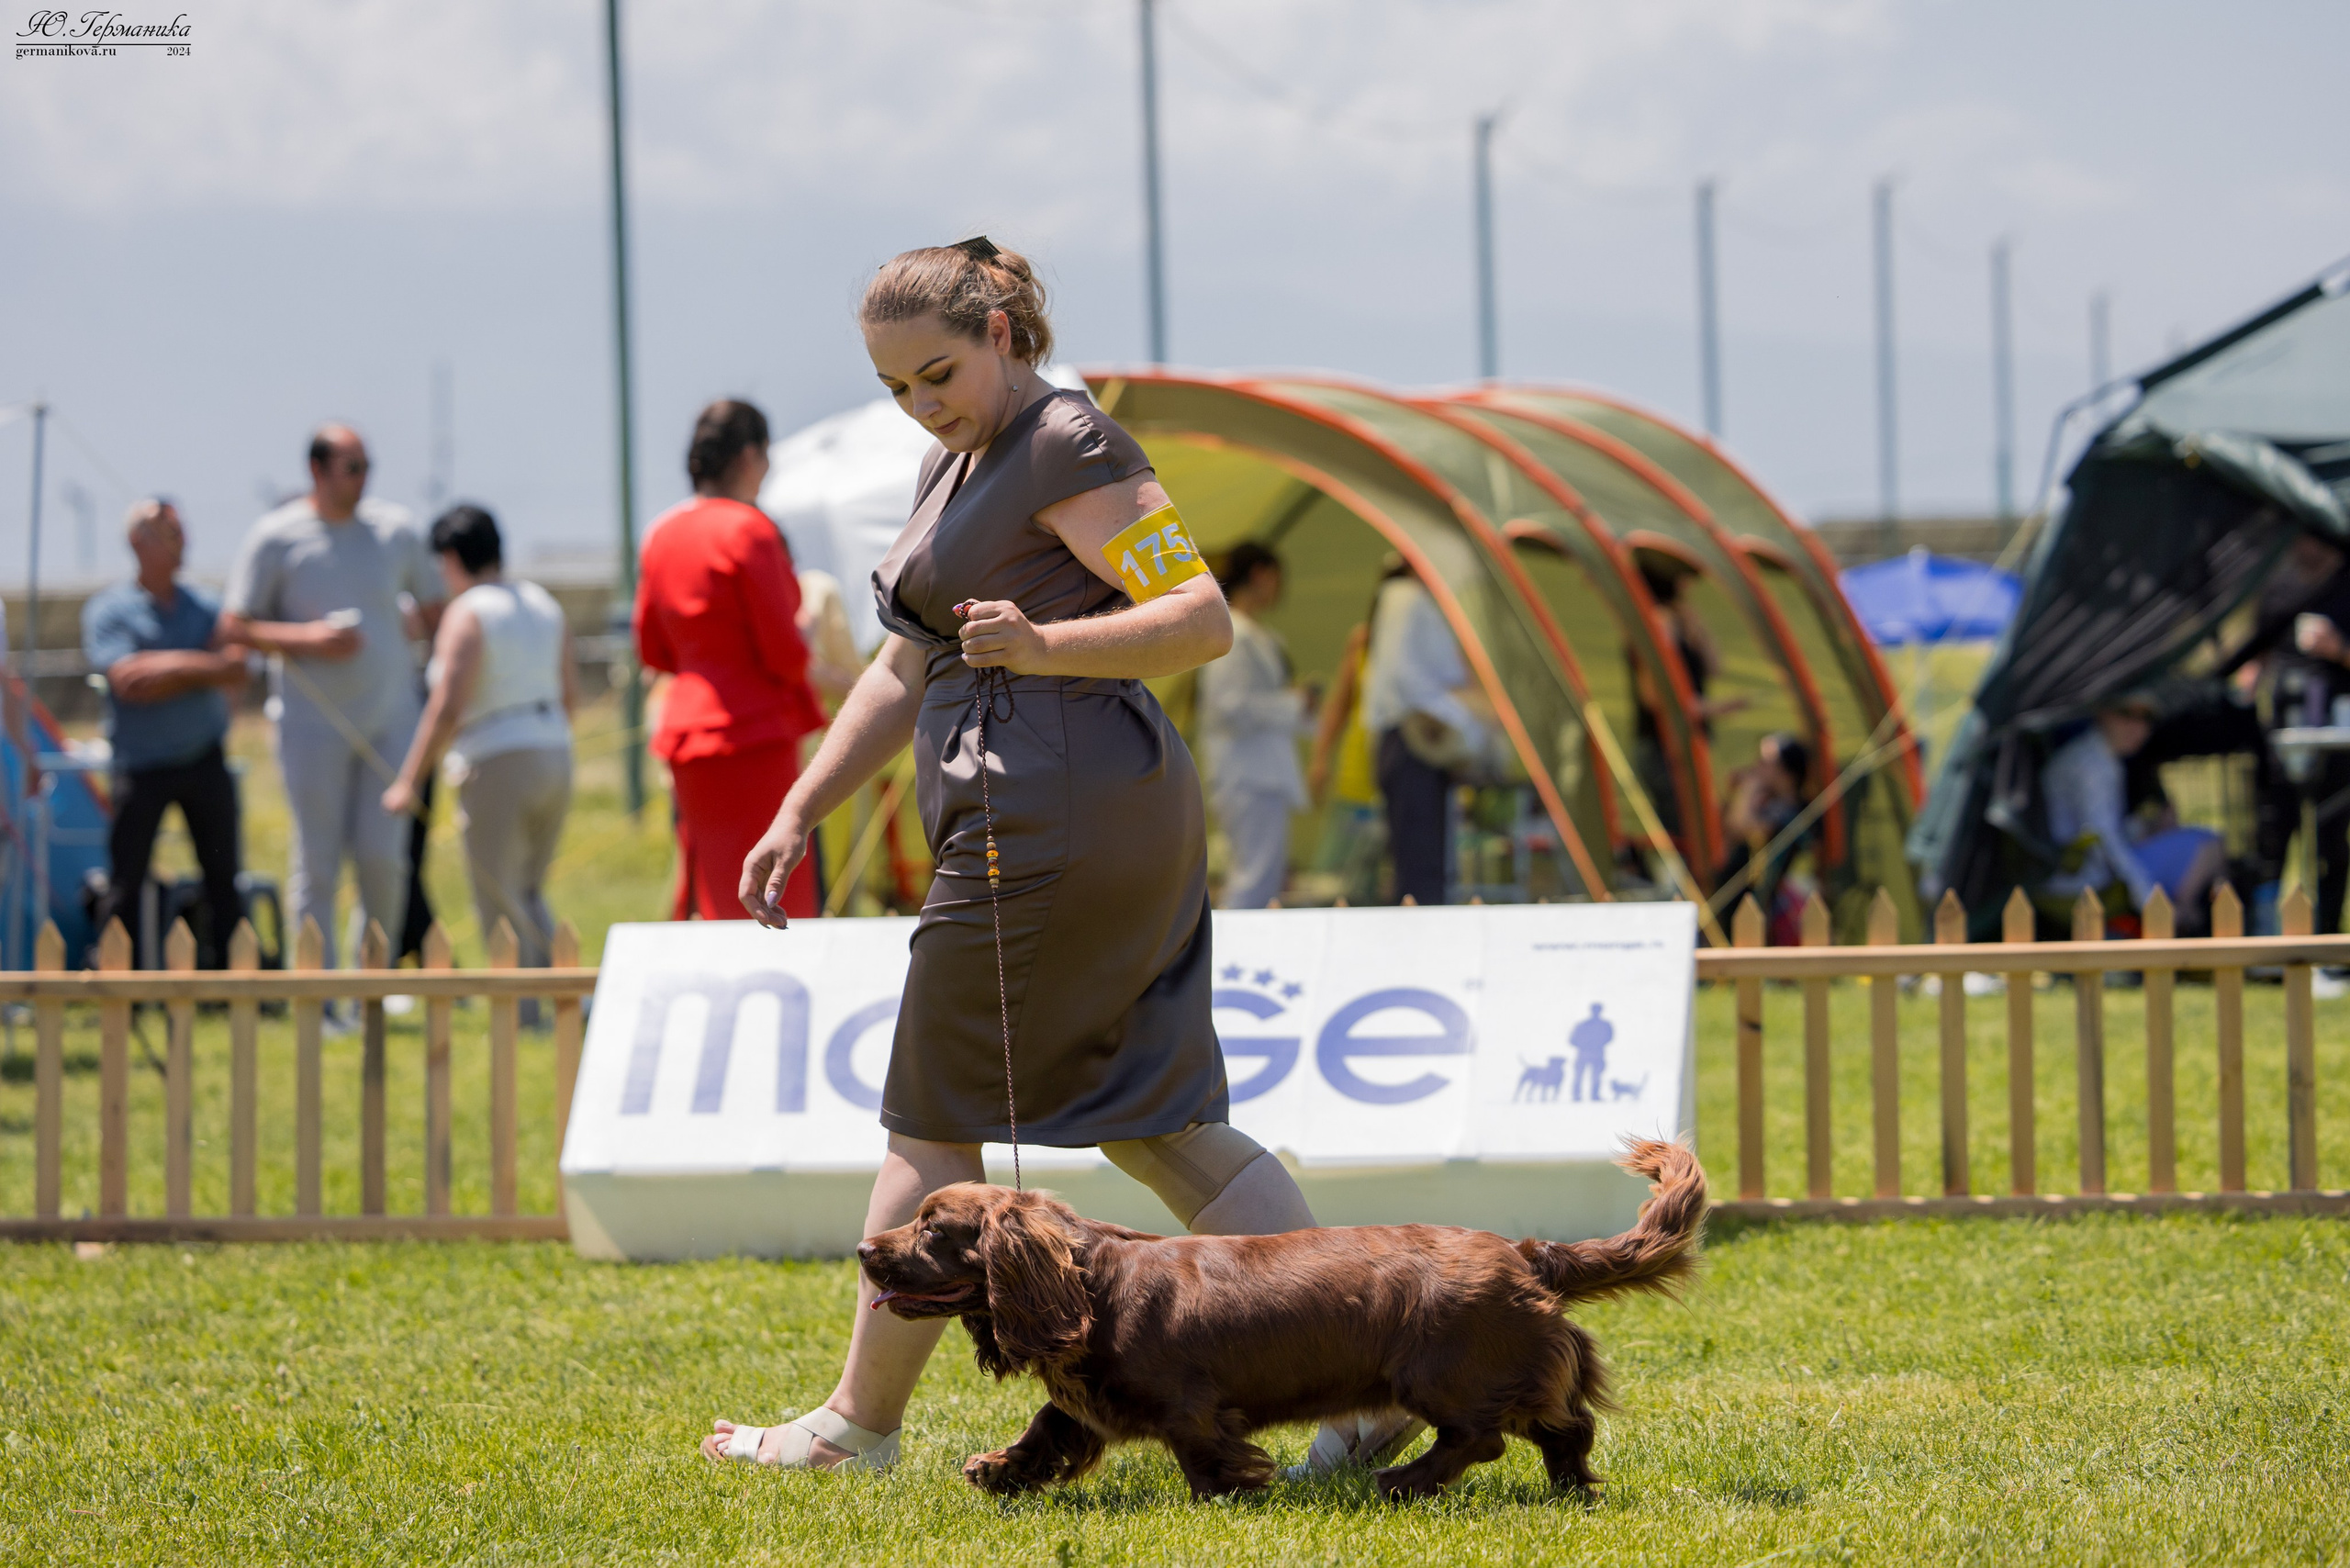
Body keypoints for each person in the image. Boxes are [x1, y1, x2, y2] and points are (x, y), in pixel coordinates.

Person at [706, 237, 1417, 1479]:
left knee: (931, 1123)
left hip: (1054, 823)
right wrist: (800, 808)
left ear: (1001, 329)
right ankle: (1369, 1390)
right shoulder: (957, 460)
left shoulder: (1070, 444)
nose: (923, 404)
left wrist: (1040, 645)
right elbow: (907, 663)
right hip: (1057, 815)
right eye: (897, 390)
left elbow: (1199, 620)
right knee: (1166, 1122)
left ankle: (854, 1431)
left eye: (939, 372)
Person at [220, 426, 443, 969]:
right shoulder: (276, 536)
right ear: (317, 471)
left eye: (368, 466)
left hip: (391, 720)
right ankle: (318, 997)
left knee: (382, 860)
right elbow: (235, 625)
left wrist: (406, 633)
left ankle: (373, 984)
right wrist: (308, 639)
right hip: (310, 727)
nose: (363, 479)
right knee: (317, 863)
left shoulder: (396, 530)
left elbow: (436, 606)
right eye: (352, 467)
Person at [635, 400, 827, 921]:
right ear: (749, 455)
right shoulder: (751, 529)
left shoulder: (660, 534)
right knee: (777, 886)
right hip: (755, 731)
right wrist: (802, 632)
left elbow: (653, 650)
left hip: (689, 732)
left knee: (713, 887)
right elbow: (785, 657)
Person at [382, 506, 575, 994]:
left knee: (499, 899)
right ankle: (565, 996)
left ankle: (522, 1014)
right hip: (555, 749)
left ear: (449, 558)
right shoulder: (542, 602)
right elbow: (570, 690)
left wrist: (408, 780)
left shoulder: (467, 612)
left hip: (495, 757)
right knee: (529, 890)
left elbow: (447, 705)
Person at [82, 498, 249, 965]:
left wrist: (164, 666)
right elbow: (127, 682)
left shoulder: (208, 604)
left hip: (204, 759)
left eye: (182, 530)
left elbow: (238, 669)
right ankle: (118, 984)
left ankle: (233, 984)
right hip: (140, 766)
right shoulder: (109, 610)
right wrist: (201, 667)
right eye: (169, 531)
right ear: (138, 541)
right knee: (127, 881)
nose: (183, 541)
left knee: (223, 878)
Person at [1360, 566, 1492, 905]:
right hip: (1412, 740)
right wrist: (1465, 711)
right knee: (1418, 866)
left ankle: (1425, 939)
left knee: (1429, 862)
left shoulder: (1426, 601)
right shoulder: (1404, 596)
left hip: (1427, 740)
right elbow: (1407, 677)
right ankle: (1416, 947)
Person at [2040, 696, 2228, 932]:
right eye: (2126, 714)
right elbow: (2104, 840)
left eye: (2146, 718)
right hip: (2082, 881)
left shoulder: (2098, 757)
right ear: (2102, 713)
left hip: (2083, 872)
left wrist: (2146, 827)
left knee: (2203, 839)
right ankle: (2182, 920)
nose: (2137, 727)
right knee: (2208, 844)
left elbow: (2102, 830)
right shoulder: (2092, 765)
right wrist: (2149, 903)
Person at [1197, 543, 1308, 908]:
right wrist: (1293, 704)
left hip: (1261, 772)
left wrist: (1295, 707)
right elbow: (1229, 707)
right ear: (1261, 575)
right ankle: (1231, 960)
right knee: (1254, 878)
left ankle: (1238, 957)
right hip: (1246, 774)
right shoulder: (1234, 632)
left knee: (1264, 877)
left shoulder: (1255, 634)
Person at [1716, 732, 1813, 938]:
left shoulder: (1790, 813)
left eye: (1765, 762)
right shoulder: (1767, 805)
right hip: (1741, 906)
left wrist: (1749, 787)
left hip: (1771, 914)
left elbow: (1739, 827)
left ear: (1787, 772)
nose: (1757, 767)